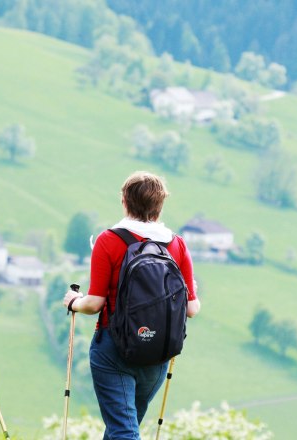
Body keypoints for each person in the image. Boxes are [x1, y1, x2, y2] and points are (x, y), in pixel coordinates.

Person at [63, 171, 201, 439]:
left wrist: (73, 302)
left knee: (123, 431)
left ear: (125, 201)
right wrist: (192, 291)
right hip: (158, 353)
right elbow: (192, 309)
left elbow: (94, 304)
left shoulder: (109, 240)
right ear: (160, 206)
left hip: (113, 349)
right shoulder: (177, 244)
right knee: (124, 428)